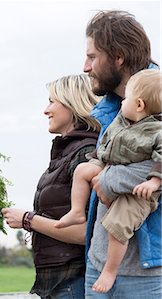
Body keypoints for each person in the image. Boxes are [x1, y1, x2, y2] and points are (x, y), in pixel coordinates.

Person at [55, 69, 162, 292]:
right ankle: (76, 211)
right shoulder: (122, 120)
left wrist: (153, 181)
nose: (122, 102)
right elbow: (106, 142)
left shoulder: (156, 130)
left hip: (138, 195)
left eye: (127, 98)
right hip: (109, 163)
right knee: (82, 170)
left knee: (118, 225)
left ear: (139, 105)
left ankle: (110, 270)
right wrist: (99, 162)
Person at [81, 10, 162, 298]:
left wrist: (109, 179)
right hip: (98, 264)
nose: (86, 67)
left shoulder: (158, 97)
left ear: (118, 57)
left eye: (92, 57)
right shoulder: (109, 110)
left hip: (148, 273)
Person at [2, 74, 100, 298]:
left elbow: (86, 233)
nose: (46, 110)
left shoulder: (85, 154)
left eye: (52, 101)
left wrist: (28, 220)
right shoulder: (67, 152)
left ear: (72, 102)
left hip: (72, 281)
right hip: (58, 282)